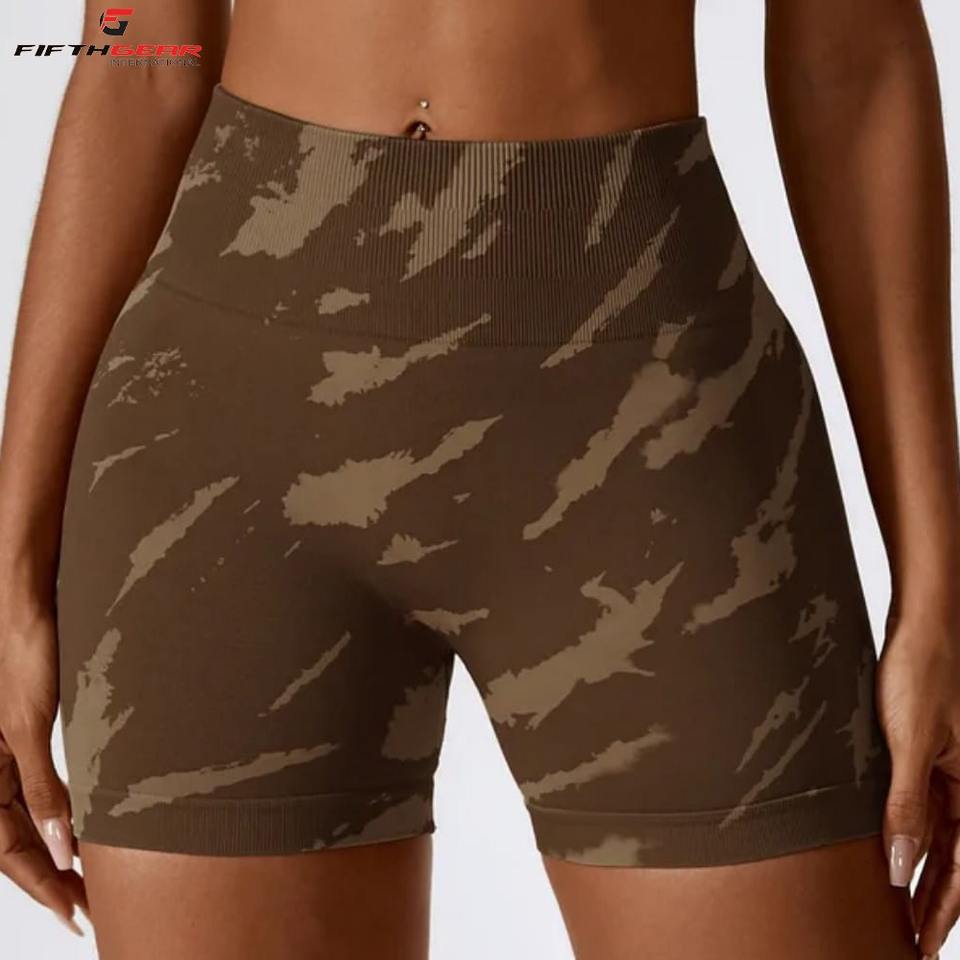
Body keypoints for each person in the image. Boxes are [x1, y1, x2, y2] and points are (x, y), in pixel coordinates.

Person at [0, 0, 955, 957]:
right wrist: (8, 576)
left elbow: (853, 57)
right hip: (214, 442)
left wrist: (939, 601)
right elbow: (140, 56)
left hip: (650, 425)